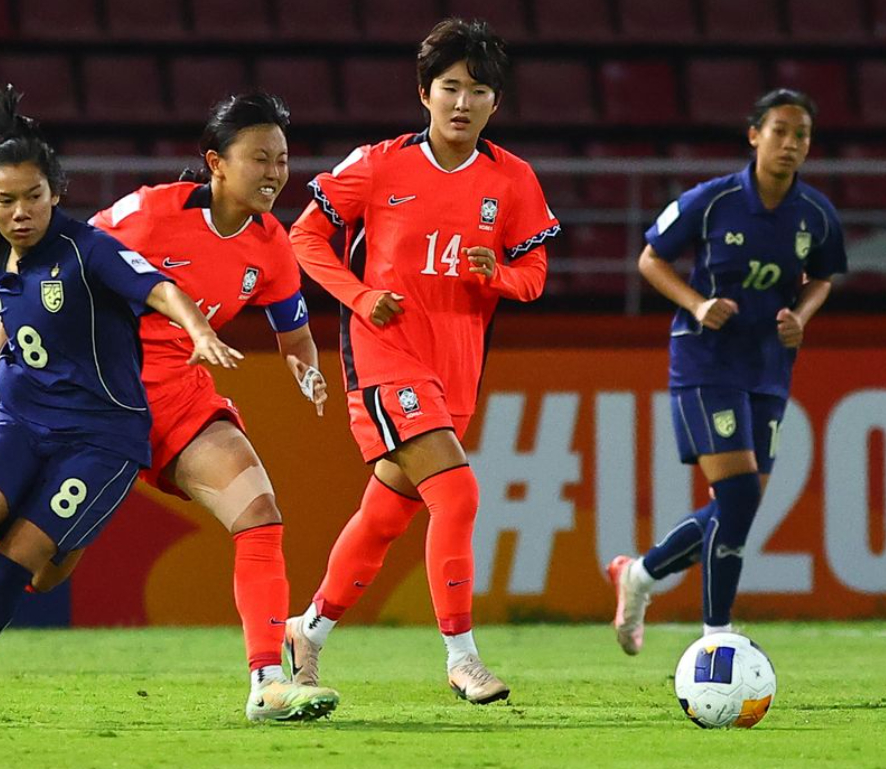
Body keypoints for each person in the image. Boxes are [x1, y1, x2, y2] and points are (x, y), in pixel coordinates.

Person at [0, 92, 341, 723]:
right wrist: (9, 317)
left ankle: (265, 682)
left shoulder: (272, 247)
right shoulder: (150, 213)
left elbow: (293, 336)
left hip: (178, 403)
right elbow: (67, 255)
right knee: (45, 572)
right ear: (216, 162)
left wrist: (307, 371)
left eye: (282, 159)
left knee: (260, 517)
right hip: (94, 402)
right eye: (259, 157)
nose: (273, 172)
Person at [283, 18, 559, 705]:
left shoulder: (513, 179)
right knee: (459, 494)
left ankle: (308, 630)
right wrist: (360, 292)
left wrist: (496, 272)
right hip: (384, 358)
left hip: (456, 368)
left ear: (497, 102)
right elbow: (305, 236)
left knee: (385, 515)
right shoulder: (377, 164)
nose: (463, 103)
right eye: (451, 87)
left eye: (479, 91)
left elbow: (535, 275)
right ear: (424, 93)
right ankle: (462, 657)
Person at [608, 89, 846, 654]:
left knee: (736, 507)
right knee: (737, 500)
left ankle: (639, 575)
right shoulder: (711, 202)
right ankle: (717, 635)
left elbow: (823, 275)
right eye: (780, 131)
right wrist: (695, 304)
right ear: (754, 135)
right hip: (706, 360)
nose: (791, 144)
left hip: (768, 367)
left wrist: (802, 316)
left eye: (802, 135)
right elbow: (650, 258)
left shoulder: (815, 213)